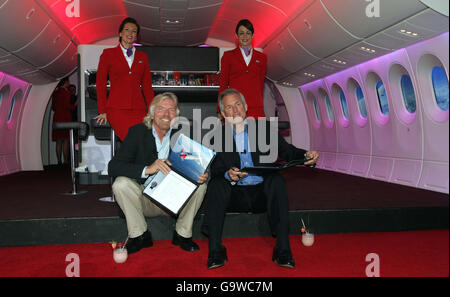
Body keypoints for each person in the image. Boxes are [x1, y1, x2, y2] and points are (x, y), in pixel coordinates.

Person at [204, 89, 319, 269]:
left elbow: (288, 152)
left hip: (262, 194)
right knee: (217, 184)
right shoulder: (217, 136)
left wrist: (306, 154)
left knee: (277, 180)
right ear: (223, 114)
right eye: (228, 107)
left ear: (246, 107)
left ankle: (283, 251)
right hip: (234, 194)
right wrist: (228, 174)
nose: (235, 111)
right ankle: (216, 251)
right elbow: (216, 169)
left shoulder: (264, 130)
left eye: (238, 105)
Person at [108, 92, 208, 255]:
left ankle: (182, 234)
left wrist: (203, 174)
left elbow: (200, 164)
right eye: (161, 109)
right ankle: (139, 235)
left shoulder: (185, 133)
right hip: (145, 198)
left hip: (175, 201)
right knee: (120, 183)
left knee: (201, 186)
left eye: (172, 110)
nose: (167, 114)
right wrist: (148, 169)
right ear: (152, 113)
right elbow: (114, 167)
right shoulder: (137, 132)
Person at [94, 17, 154, 141]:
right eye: (127, 29)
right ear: (120, 33)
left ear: (136, 36)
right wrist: (102, 110)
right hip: (117, 109)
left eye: (134, 31)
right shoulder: (108, 54)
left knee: (142, 141)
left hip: (139, 110)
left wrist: (151, 110)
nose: (130, 33)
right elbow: (101, 84)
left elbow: (147, 86)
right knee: (131, 140)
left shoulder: (143, 57)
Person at [218, 19, 267, 119]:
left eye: (248, 33)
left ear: (252, 35)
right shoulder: (228, 56)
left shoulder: (262, 58)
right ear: (236, 36)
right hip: (234, 109)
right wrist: (220, 110)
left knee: (258, 134)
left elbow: (260, 84)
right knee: (234, 135)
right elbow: (223, 85)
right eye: (241, 33)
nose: (245, 36)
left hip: (256, 108)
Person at [51, 77, 78, 165]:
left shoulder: (55, 93)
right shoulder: (66, 93)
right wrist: (75, 104)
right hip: (65, 118)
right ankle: (66, 161)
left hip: (57, 117)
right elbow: (68, 106)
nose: (69, 83)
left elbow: (53, 107)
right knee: (66, 140)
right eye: (68, 81)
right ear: (65, 82)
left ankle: (59, 161)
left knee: (59, 141)